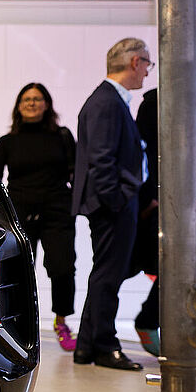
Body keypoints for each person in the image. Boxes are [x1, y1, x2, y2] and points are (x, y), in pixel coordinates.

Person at [129, 57, 196, 356]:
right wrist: (150, 197)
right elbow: (143, 154)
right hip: (174, 194)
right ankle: (149, 320)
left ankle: (192, 333)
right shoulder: (156, 102)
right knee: (175, 263)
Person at [71, 37, 152, 371]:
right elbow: (101, 161)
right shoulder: (107, 102)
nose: (148, 71)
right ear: (134, 62)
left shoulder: (109, 100)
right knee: (109, 276)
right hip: (112, 206)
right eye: (147, 64)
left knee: (104, 274)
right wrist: (117, 201)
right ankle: (105, 346)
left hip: (113, 203)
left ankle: (86, 346)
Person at [0, 83, 78, 351]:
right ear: (19, 106)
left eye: (37, 99)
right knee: (19, 271)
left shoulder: (62, 136)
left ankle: (61, 322)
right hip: (19, 212)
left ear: (47, 104)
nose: (32, 103)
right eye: (27, 99)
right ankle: (18, 326)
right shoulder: (6, 142)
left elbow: (76, 173)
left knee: (62, 267)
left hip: (57, 211)